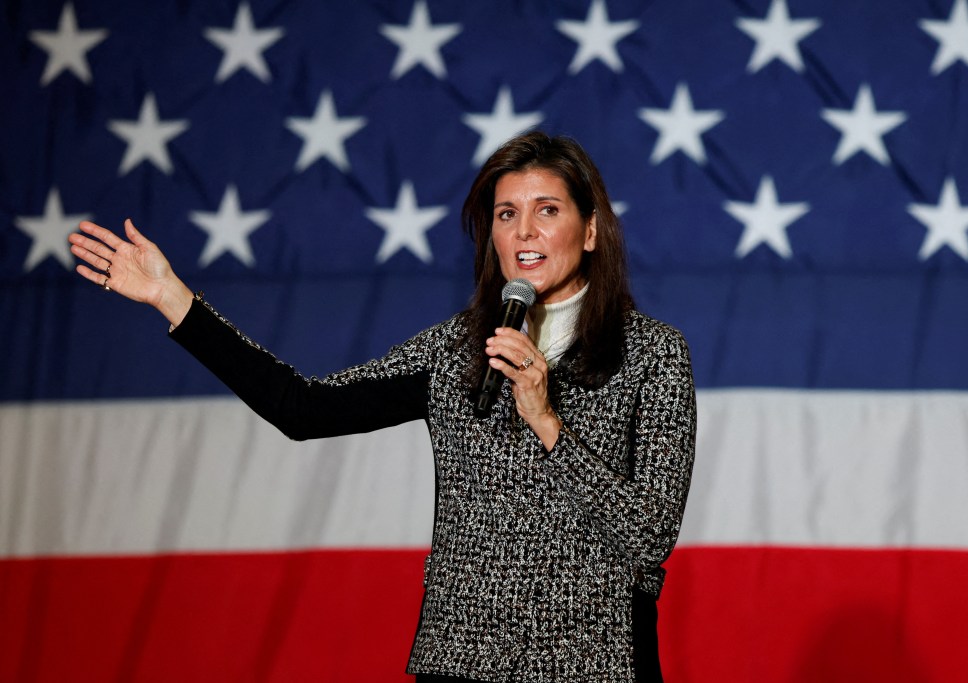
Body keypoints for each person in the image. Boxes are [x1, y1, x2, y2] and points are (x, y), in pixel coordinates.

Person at [68, 131, 696, 683]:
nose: (524, 231)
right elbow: (304, 408)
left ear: (590, 230)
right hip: (460, 662)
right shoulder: (457, 349)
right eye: (506, 213)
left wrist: (547, 421)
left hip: (596, 665)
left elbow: (648, 538)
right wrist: (176, 301)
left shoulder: (654, 356)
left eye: (546, 210)